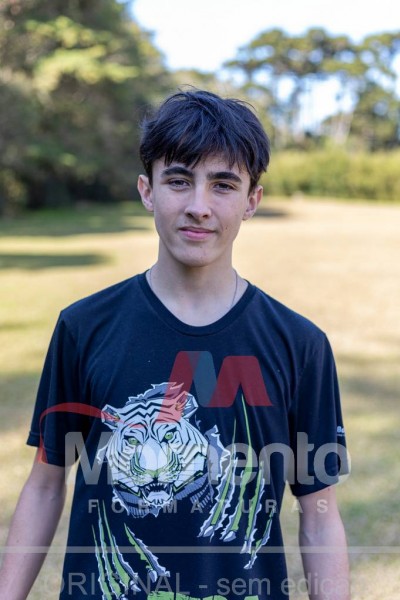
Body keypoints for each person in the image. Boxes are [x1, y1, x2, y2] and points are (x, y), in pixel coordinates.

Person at [0, 89, 350, 600]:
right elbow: (45, 484)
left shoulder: (300, 345)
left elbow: (319, 516)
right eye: (179, 181)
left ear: (252, 201)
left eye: (223, 185)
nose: (198, 207)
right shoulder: (83, 327)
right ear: (148, 190)